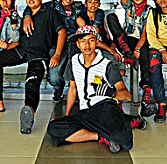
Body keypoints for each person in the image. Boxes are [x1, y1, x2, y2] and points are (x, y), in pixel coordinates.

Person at [47, 26, 146, 154]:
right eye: (83, 41)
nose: (87, 45)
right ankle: (101, 136)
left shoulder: (107, 65)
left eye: (91, 40)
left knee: (125, 142)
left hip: (104, 108)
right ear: (77, 44)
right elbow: (73, 88)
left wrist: (109, 92)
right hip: (84, 112)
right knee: (54, 128)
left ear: (97, 42)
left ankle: (131, 120)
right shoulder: (74, 61)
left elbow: (126, 95)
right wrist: (67, 116)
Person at [22, 0, 104, 102]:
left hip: (76, 44)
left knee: (80, 69)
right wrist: (27, 16)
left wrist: (95, 27)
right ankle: (59, 88)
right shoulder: (51, 6)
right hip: (57, 44)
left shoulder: (79, 7)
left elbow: (98, 11)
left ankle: (77, 92)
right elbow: (33, 6)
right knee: (53, 78)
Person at [7, 0, 67, 134]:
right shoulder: (25, 17)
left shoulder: (51, 12)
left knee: (46, 79)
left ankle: (52, 94)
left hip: (45, 52)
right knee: (31, 80)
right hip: (29, 53)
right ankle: (28, 111)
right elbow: (18, 39)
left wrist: (57, 54)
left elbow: (62, 32)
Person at [107, 0, 156, 116]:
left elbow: (146, 33)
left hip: (142, 42)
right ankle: (128, 54)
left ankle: (146, 98)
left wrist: (138, 49)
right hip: (126, 41)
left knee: (147, 59)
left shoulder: (150, 11)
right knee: (111, 17)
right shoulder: (129, 6)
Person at [76, 0, 126, 74]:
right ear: (85, 4)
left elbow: (106, 33)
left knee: (120, 62)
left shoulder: (99, 16)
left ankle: (119, 85)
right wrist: (111, 51)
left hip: (104, 46)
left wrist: (112, 45)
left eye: (96, 2)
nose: (93, 4)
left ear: (99, 4)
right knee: (111, 61)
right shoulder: (81, 19)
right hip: (92, 48)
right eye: (90, 2)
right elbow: (92, 40)